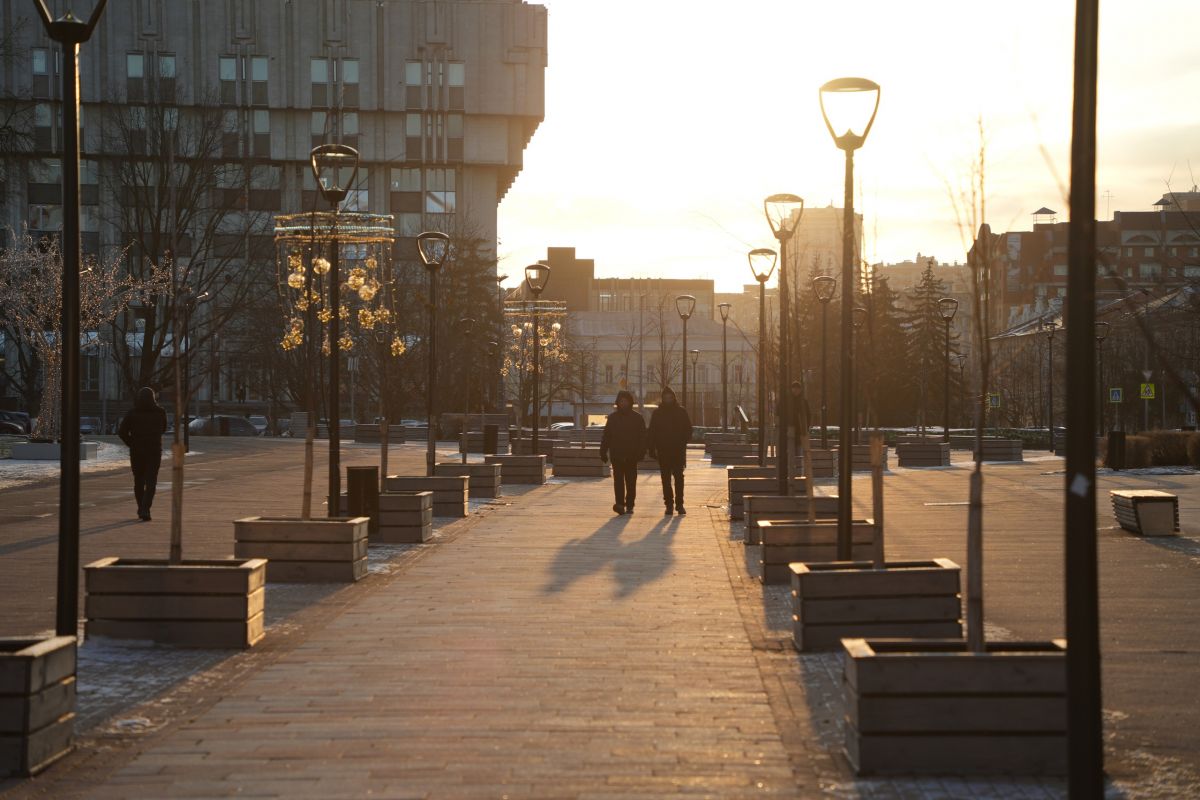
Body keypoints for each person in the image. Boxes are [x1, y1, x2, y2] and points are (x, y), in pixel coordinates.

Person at [118, 386, 168, 521]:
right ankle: (145, 509)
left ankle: (141, 508)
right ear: (153, 398)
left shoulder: (132, 413)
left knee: (139, 481)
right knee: (151, 481)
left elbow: (121, 432)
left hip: (137, 451)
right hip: (154, 451)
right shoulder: (160, 412)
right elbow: (163, 428)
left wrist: (131, 443)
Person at [599, 389, 646, 515]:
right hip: (617, 455)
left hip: (632, 455)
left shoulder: (637, 418)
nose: (623, 403)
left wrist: (641, 452)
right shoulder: (613, 418)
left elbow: (642, 437)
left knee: (631, 482)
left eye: (625, 401)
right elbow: (607, 436)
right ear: (618, 403)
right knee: (618, 481)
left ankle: (630, 504)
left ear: (630, 402)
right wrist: (603, 451)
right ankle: (620, 504)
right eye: (621, 401)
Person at [647, 387, 692, 515]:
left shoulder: (681, 412)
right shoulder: (657, 413)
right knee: (665, 478)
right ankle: (669, 504)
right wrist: (651, 448)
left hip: (678, 450)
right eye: (665, 397)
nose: (668, 400)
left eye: (670, 397)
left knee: (679, 477)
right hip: (663, 450)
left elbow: (688, 429)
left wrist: (682, 441)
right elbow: (652, 432)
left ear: (674, 398)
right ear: (662, 398)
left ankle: (679, 504)